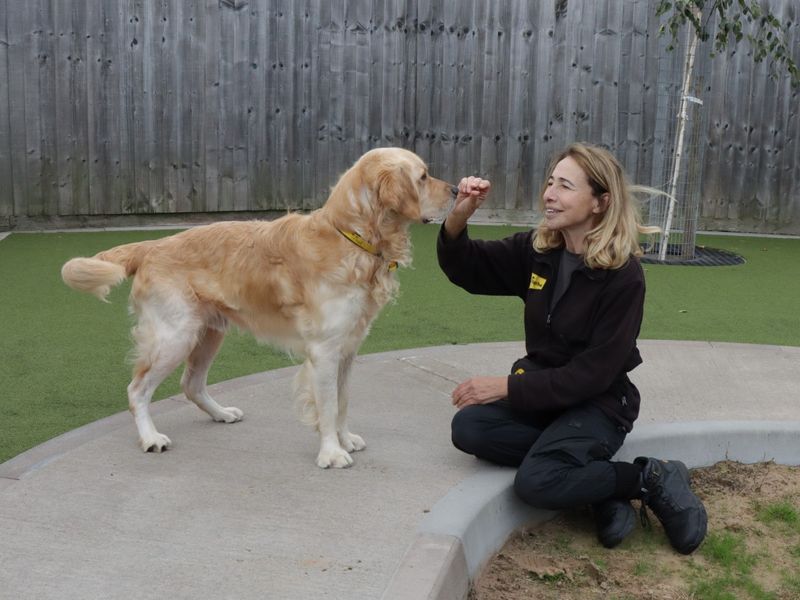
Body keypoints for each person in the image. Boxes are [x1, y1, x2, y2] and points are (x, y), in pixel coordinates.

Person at [437, 142, 707, 554]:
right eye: (550, 182)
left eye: (565, 186)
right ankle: (598, 485)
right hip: (546, 398)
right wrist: (459, 216)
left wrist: (507, 387)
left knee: (537, 480)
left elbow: (592, 374)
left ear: (600, 202)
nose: (549, 194)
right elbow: (468, 268)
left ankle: (650, 478)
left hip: (596, 404)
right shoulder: (539, 250)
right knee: (469, 429)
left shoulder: (624, 277)